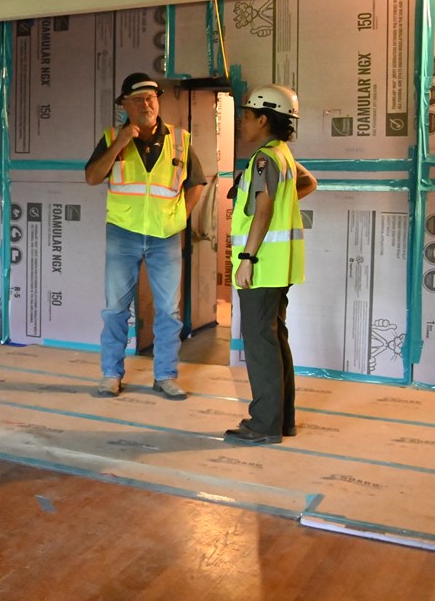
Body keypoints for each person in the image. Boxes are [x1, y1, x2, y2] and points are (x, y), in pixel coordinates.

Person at [85, 73, 205, 399]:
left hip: (164, 237)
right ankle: (111, 374)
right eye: (137, 99)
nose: (146, 104)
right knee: (115, 310)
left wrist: (180, 216)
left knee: (169, 311)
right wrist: (120, 143)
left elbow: (196, 183)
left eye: (151, 97)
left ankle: (165, 376)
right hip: (123, 234)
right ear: (124, 105)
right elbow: (93, 176)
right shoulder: (112, 138)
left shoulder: (180, 140)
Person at [225, 85, 316, 445]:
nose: (241, 122)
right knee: (274, 339)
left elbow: (262, 210)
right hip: (281, 266)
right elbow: (311, 182)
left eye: (246, 115)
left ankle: (263, 424)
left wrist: (246, 258)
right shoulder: (283, 155)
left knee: (261, 343)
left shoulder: (265, 158)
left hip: (263, 265)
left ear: (263, 119)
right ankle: (282, 420)